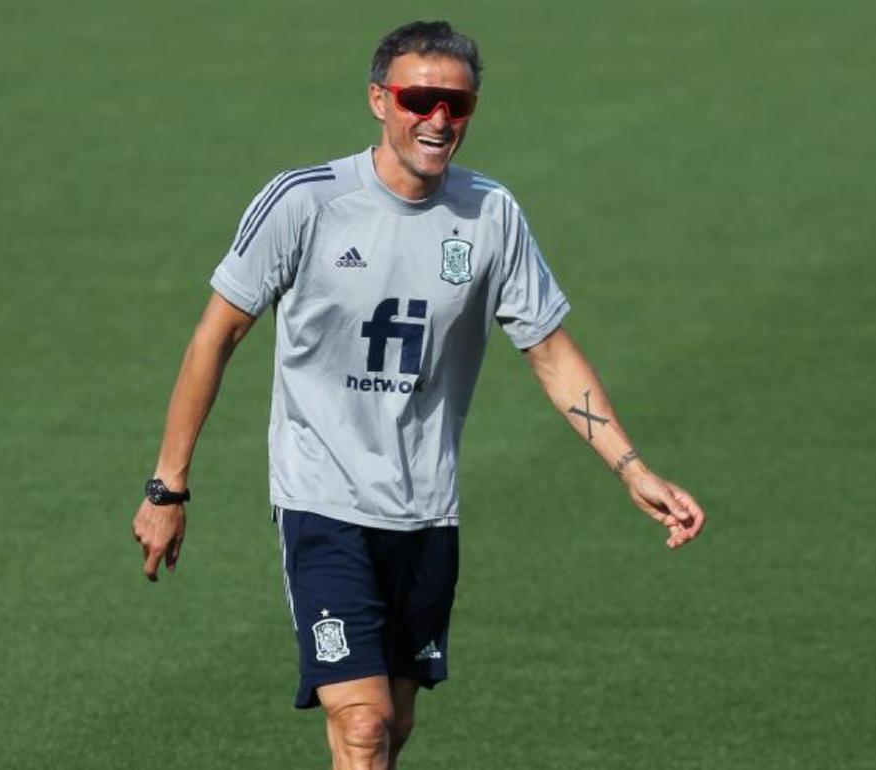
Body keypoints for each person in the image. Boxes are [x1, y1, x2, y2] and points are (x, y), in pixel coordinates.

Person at [132, 19, 706, 770]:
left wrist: (633, 468)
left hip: (427, 509)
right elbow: (216, 336)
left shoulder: (490, 214)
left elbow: (552, 354)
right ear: (379, 99)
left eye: (457, 105)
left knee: (394, 725)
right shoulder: (306, 203)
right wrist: (168, 485)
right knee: (363, 723)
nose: (438, 119)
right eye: (418, 98)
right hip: (323, 501)